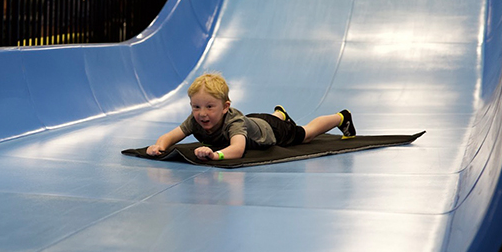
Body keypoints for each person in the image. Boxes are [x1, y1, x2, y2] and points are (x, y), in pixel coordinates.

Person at [146, 73, 356, 160]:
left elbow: (237, 149)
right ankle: (280, 114)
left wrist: (216, 155)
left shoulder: (233, 122)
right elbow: (171, 136)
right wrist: (159, 146)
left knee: (306, 134)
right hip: (254, 121)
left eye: (210, 106)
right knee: (260, 121)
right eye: (196, 107)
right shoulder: (196, 119)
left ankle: (341, 117)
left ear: (225, 107)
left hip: (272, 131)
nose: (202, 113)